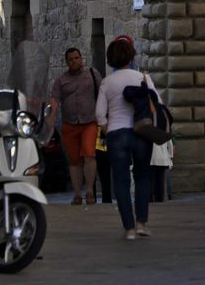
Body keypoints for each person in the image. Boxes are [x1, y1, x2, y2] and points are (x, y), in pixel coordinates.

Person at [95, 35, 158, 240]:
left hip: (116, 133)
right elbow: (157, 104)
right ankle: (142, 223)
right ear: (131, 56)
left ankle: (129, 228)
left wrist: (108, 130)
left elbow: (99, 114)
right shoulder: (143, 78)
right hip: (141, 132)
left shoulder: (107, 82)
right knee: (142, 178)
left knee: (120, 182)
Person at [49, 47, 102, 205]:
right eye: (71, 59)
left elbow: (103, 93)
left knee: (89, 154)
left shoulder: (93, 75)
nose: (74, 61)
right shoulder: (61, 80)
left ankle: (90, 190)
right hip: (70, 123)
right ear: (67, 62)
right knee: (74, 160)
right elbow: (55, 100)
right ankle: (77, 194)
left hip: (90, 121)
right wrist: (51, 118)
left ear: (81, 58)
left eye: (77, 58)